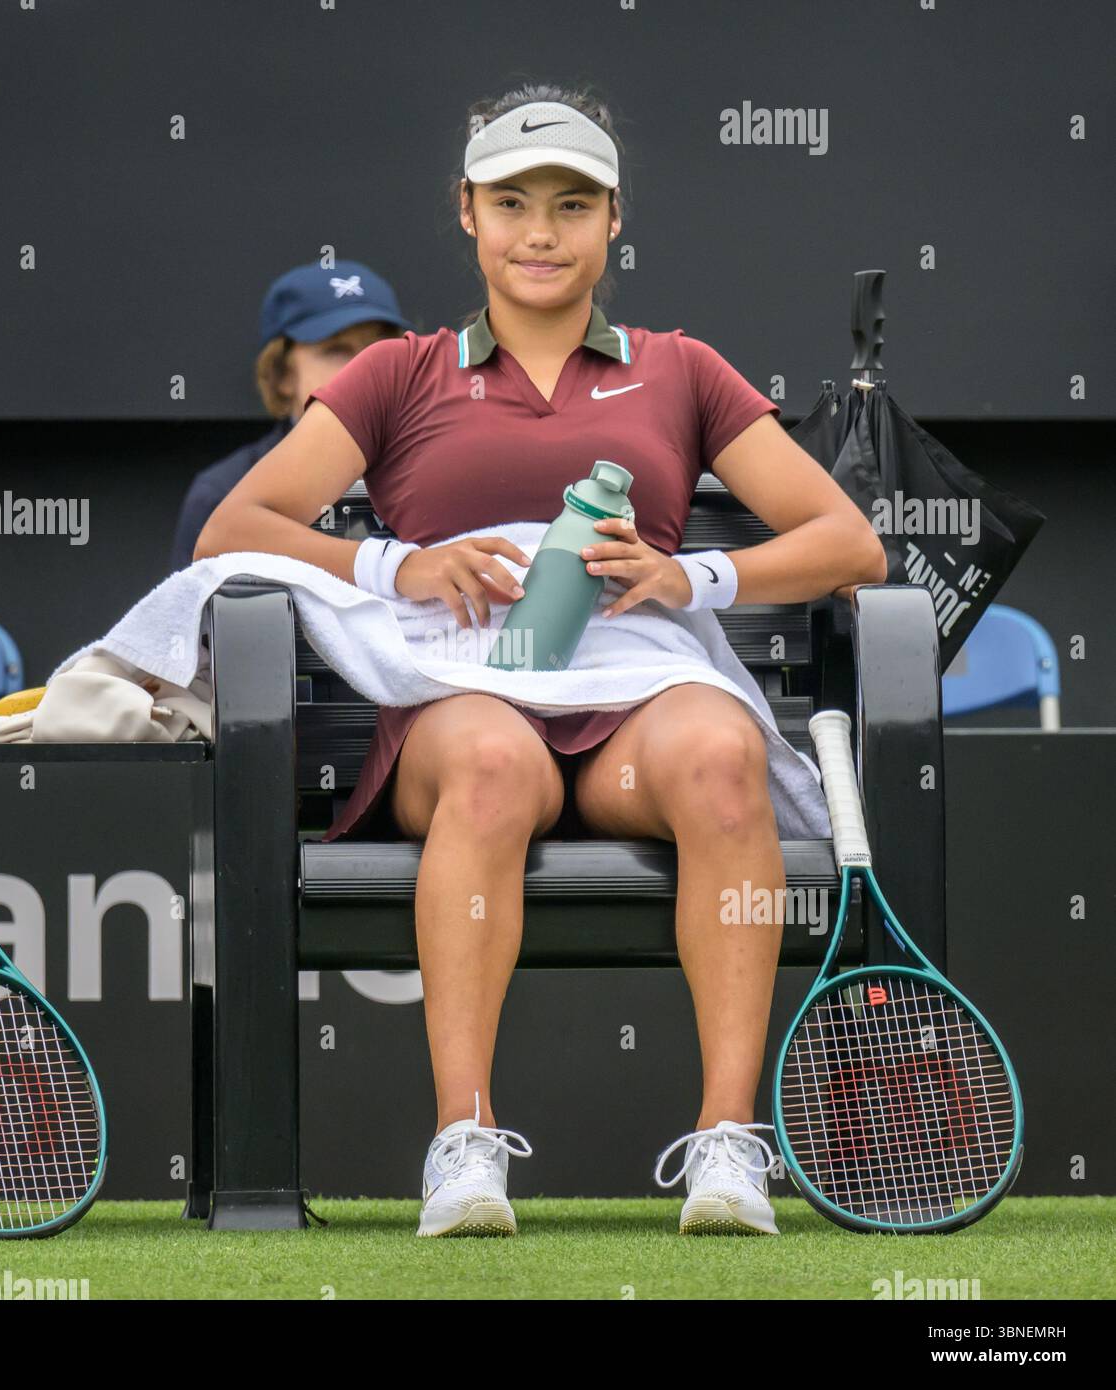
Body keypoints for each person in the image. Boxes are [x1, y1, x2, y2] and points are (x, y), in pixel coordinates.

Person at [195, 83, 887, 1238]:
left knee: (721, 753)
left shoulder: (680, 369)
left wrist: (694, 575)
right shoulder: (398, 374)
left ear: (613, 219)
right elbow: (236, 527)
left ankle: (728, 1143)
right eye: (510, 202)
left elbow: (846, 543)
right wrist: (395, 567)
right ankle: (462, 1144)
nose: (539, 231)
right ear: (464, 212)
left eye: (571, 204)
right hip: (463, 700)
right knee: (493, 768)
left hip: (632, 712)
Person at [168, 260, 411, 571]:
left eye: (381, 347)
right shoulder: (224, 494)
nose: (365, 366)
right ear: (282, 374)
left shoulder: (444, 471)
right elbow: (190, 615)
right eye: (336, 349)